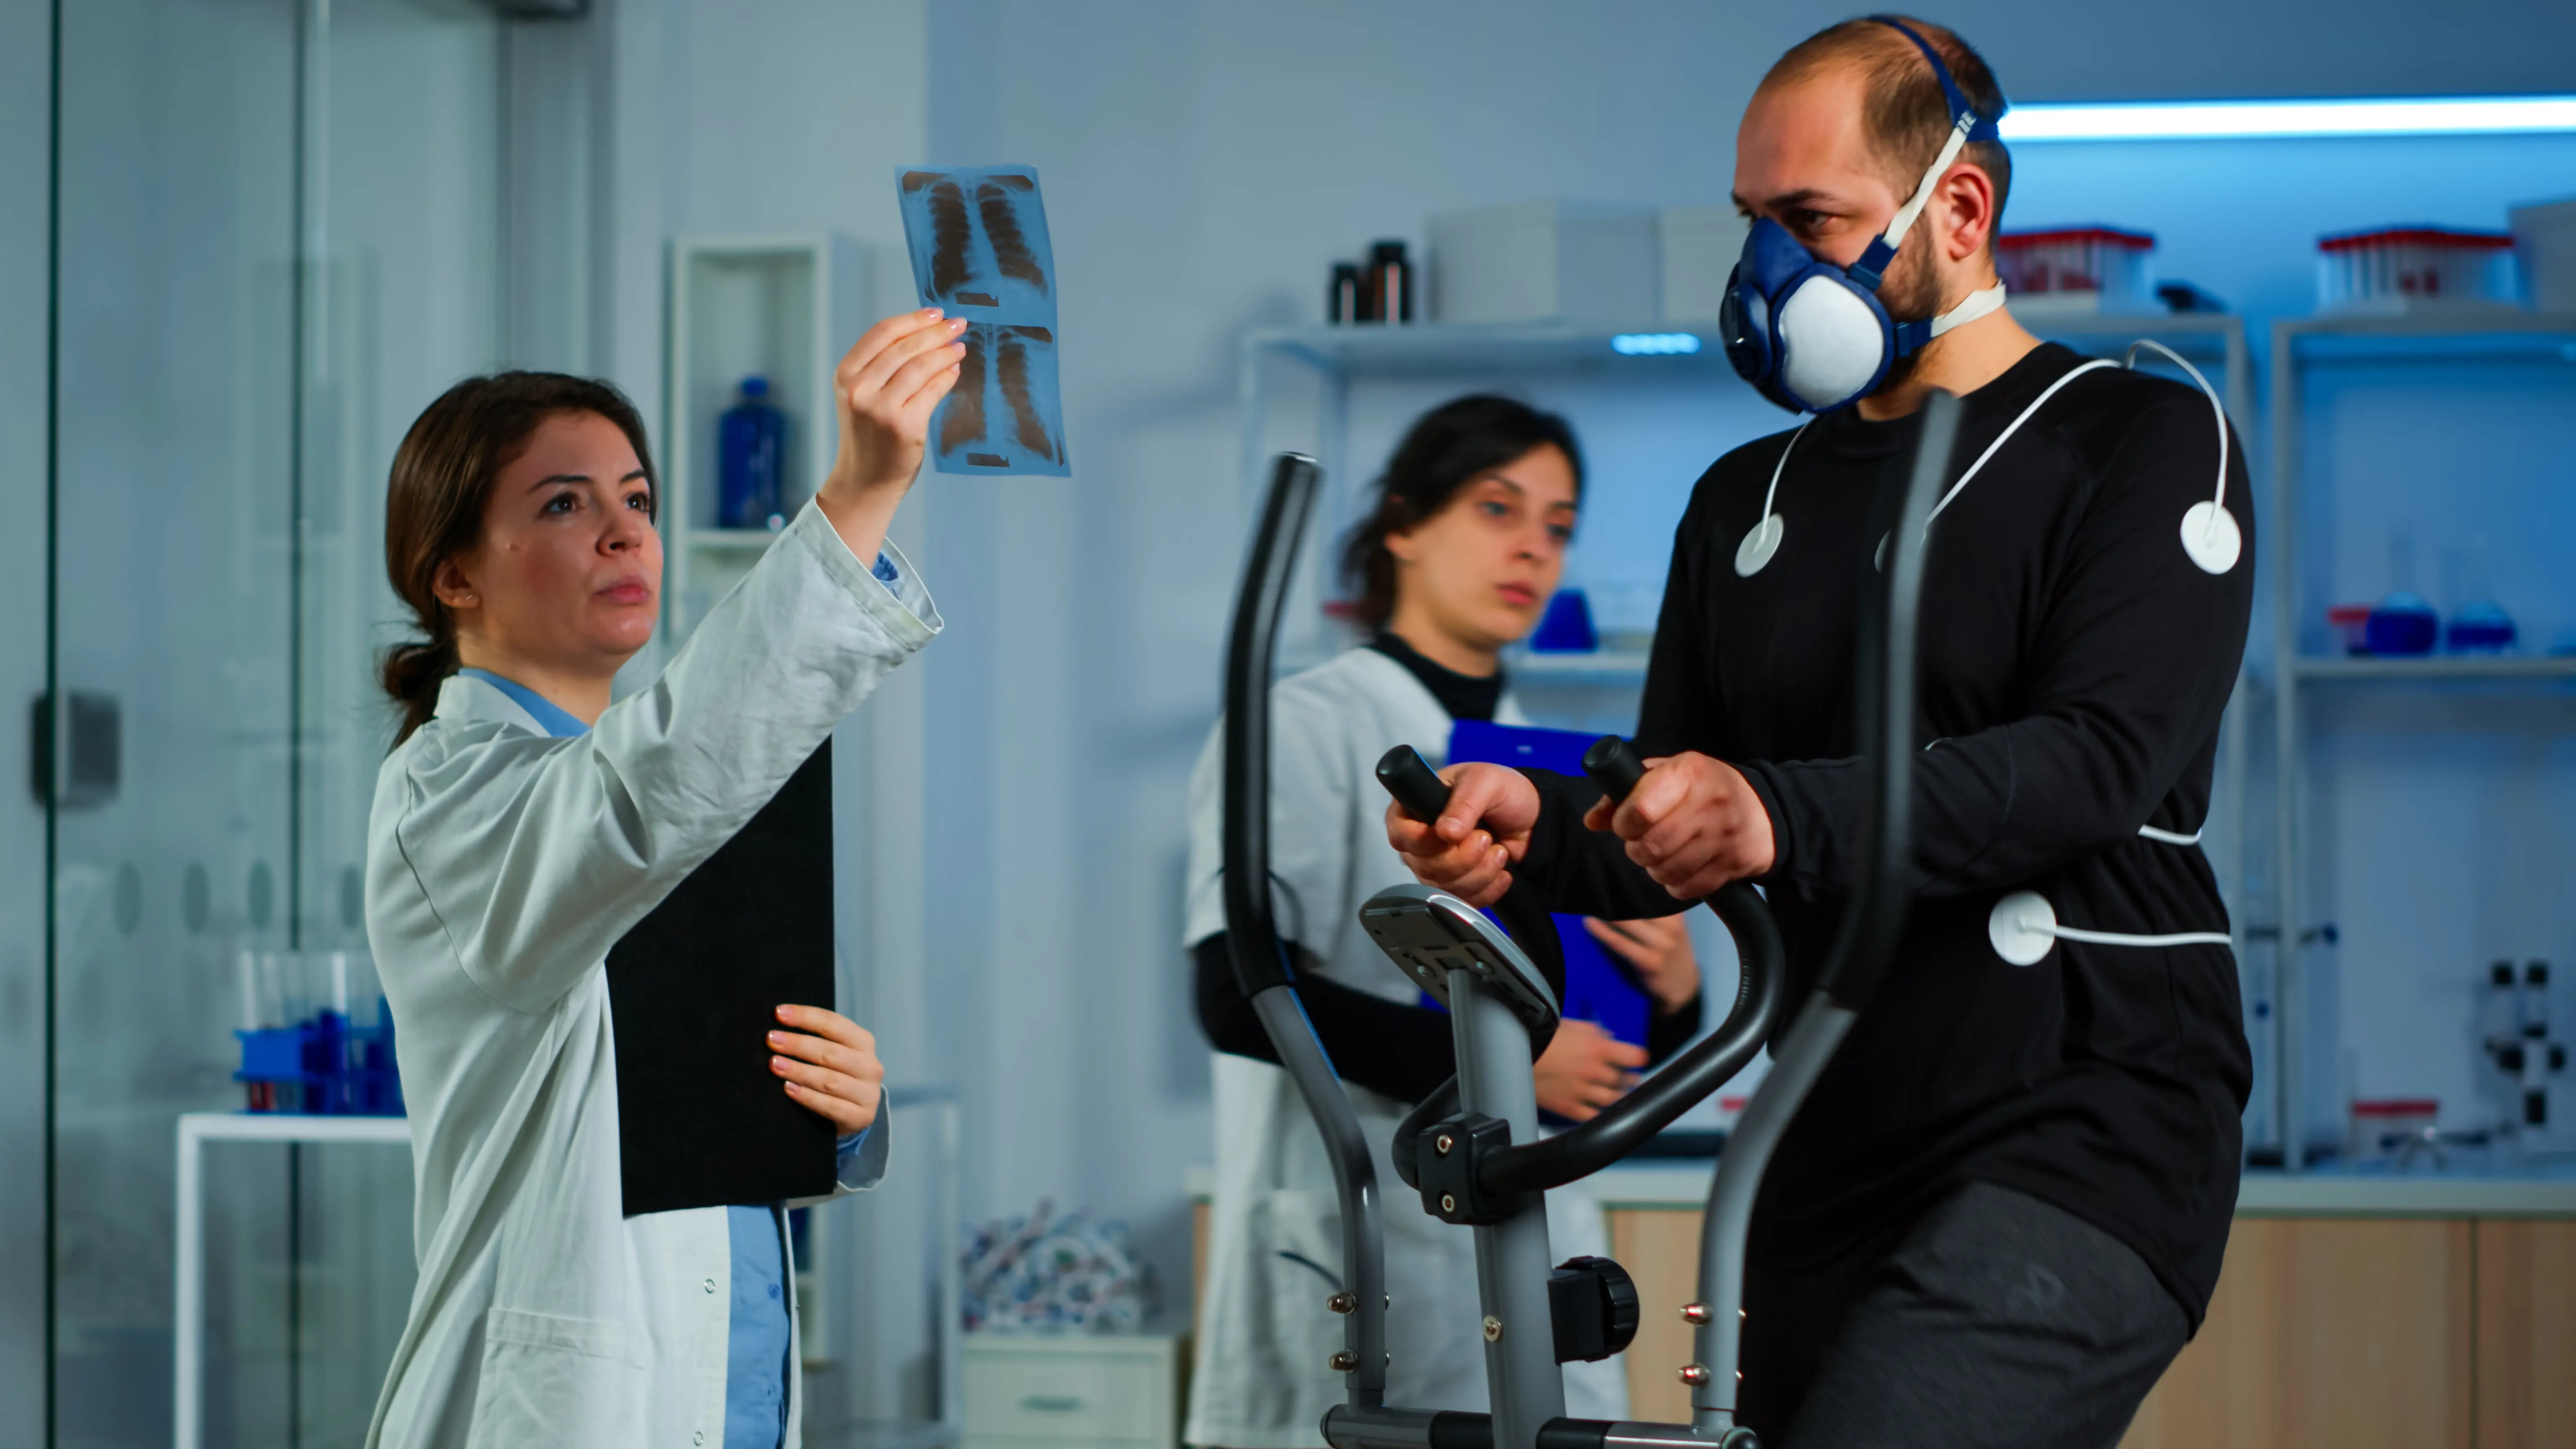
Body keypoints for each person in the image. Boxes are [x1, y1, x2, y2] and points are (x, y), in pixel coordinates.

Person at [1386, 20, 2255, 1449]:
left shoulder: (2137, 437)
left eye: (1810, 221)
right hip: (1824, 1131)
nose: (1768, 275)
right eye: (1754, 226)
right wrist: (1534, 828)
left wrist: (1773, 814)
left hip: (2081, 1115)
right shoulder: (1743, 498)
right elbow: (1668, 816)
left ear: (1958, 211)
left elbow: (2102, 762)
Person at [361, 309, 966, 1448]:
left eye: (635, 499)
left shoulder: (660, 790)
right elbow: (644, 799)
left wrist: (842, 1113)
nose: (622, 533)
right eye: (564, 503)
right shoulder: (453, 798)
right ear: (452, 575)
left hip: (721, 1381)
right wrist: (860, 496)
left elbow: (694, 1095)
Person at [1182, 395, 1710, 1446]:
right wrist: (1498, 1067)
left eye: (1557, 525)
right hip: (1363, 1225)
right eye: (1496, 507)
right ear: (1404, 526)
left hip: (1538, 1233)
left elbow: (1602, 1042)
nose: (1531, 546)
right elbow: (1235, 998)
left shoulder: (1543, 757)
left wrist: (1677, 997)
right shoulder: (1308, 724)